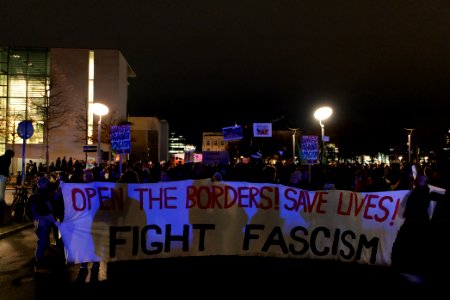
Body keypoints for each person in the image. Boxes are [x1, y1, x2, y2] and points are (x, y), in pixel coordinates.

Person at [391, 172, 431, 282]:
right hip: (416, 223)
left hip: (414, 223)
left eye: (416, 180)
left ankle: (406, 268)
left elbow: (416, 207)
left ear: (419, 181)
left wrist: (408, 213)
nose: (414, 181)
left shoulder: (420, 193)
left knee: (405, 244)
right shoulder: (423, 192)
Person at [29, 176, 59, 272]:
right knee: (41, 239)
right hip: (44, 220)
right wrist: (55, 220)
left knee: (42, 236)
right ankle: (39, 259)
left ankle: (44, 249)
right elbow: (48, 210)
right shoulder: (45, 196)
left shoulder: (36, 196)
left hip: (37, 220)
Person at [0, 149, 14, 225]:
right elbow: (6, 169)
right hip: (2, 177)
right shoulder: (8, 159)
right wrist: (8, 176)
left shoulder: (1, 157)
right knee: (1, 197)